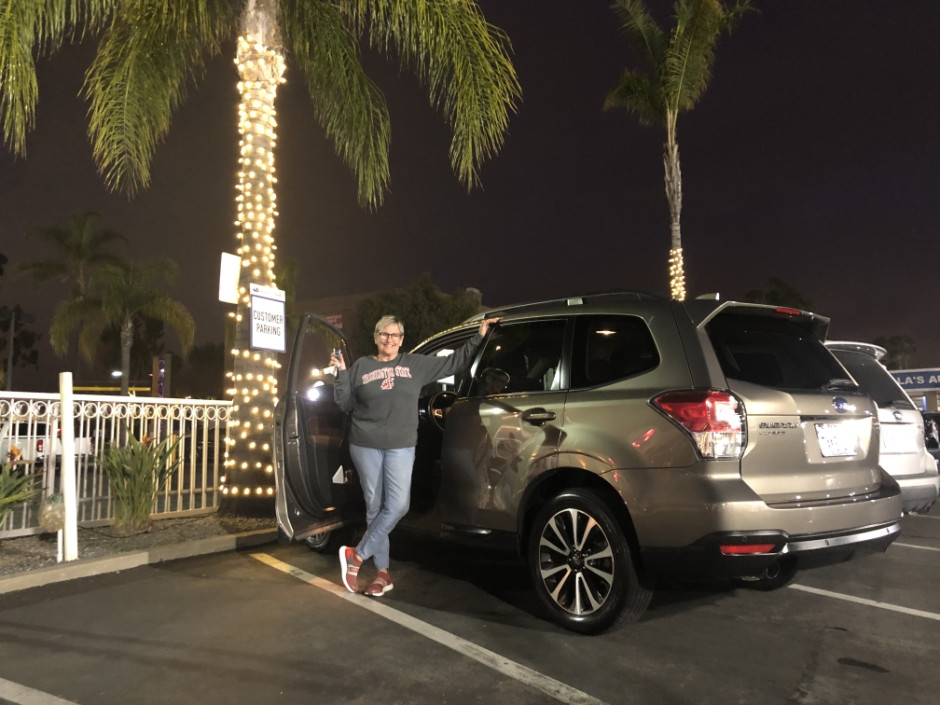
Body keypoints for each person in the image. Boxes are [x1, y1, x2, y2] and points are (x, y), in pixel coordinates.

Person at [331, 313, 500, 596]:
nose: (389, 339)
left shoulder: (414, 364)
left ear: (402, 340)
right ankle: (383, 574)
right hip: (365, 444)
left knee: (397, 506)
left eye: (395, 335)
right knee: (375, 508)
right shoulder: (361, 366)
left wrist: (479, 337)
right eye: (384, 334)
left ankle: (356, 556)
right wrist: (341, 374)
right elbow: (345, 403)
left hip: (401, 446)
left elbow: (454, 361)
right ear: (376, 337)